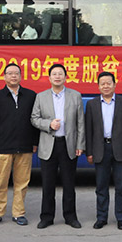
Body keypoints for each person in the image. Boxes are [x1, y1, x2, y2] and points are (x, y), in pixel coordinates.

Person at [31, 63, 85, 229]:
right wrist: (49, 124)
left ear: (65, 77)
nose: (57, 76)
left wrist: (80, 144)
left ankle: (70, 216)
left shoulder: (75, 96)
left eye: (60, 74)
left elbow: (80, 122)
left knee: (69, 184)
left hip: (68, 145)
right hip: (49, 145)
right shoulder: (41, 97)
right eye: (54, 74)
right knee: (48, 184)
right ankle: (47, 217)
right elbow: (34, 118)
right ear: (49, 78)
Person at [0, 63, 39, 227]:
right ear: (4, 77)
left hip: (25, 146)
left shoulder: (30, 96)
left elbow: (35, 120)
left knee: (22, 183)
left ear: (21, 76)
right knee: (0, 183)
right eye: (10, 73)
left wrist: (34, 142)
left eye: (16, 73)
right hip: (3, 147)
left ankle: (19, 213)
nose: (13, 76)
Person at [85, 71, 122, 230]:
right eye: (103, 83)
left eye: (109, 83)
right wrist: (89, 152)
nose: (106, 86)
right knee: (101, 186)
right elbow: (88, 130)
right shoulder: (92, 104)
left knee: (121, 186)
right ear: (98, 86)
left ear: (114, 85)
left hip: (120, 149)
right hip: (101, 149)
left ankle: (121, 218)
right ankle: (101, 217)